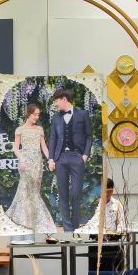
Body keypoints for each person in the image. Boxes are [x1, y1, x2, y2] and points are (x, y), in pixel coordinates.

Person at [5, 103, 57, 238]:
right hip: (25, 163)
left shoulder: (39, 129)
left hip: (37, 164)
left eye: (38, 115)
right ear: (28, 114)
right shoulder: (20, 129)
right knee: (24, 190)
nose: (36, 117)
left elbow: (44, 147)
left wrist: (50, 159)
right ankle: (21, 222)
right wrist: (22, 160)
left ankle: (30, 223)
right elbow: (16, 148)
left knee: (34, 192)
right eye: (34, 114)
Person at [47, 88, 91, 234]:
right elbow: (52, 139)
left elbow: (89, 136)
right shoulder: (56, 118)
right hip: (61, 158)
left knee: (77, 193)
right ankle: (67, 229)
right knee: (63, 193)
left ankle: (75, 226)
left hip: (77, 157)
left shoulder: (83, 114)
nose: (55, 104)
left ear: (64, 99)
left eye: (57, 101)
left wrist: (85, 155)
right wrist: (51, 159)